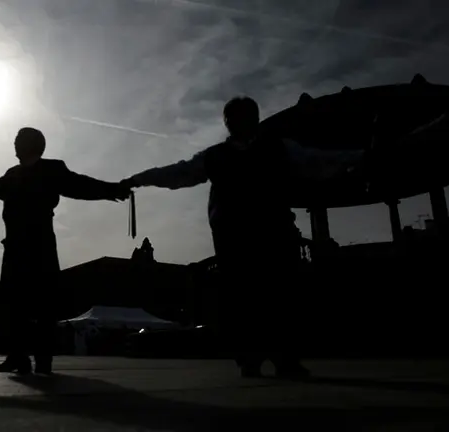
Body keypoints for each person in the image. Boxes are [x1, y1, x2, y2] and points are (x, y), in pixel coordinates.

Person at [121, 96, 364, 378]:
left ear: (254, 118)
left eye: (242, 116)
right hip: (234, 237)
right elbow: (179, 172)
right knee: (241, 297)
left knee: (280, 295)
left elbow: (318, 160)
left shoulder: (279, 148)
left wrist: (360, 156)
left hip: (272, 232)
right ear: (227, 122)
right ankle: (250, 358)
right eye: (232, 118)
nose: (236, 123)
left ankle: (284, 358)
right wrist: (139, 179)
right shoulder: (214, 157)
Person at [0, 127, 130, 375]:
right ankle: (18, 357)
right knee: (15, 305)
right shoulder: (12, 174)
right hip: (14, 246)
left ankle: (43, 360)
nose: (14, 144)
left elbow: (79, 185)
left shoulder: (52, 169)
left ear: (30, 145)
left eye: (18, 140)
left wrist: (111, 189)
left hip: (40, 244)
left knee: (44, 303)